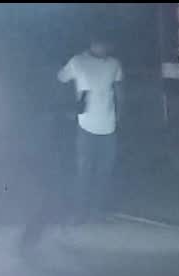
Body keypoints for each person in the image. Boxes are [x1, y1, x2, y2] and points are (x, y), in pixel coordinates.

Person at [57, 32, 123, 226]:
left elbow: (119, 90)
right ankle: (80, 212)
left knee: (105, 171)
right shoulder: (78, 61)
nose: (104, 48)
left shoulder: (114, 64)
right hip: (85, 125)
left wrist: (120, 115)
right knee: (84, 171)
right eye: (101, 44)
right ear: (93, 43)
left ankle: (98, 211)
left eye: (107, 45)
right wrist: (69, 107)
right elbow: (61, 80)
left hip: (108, 126)